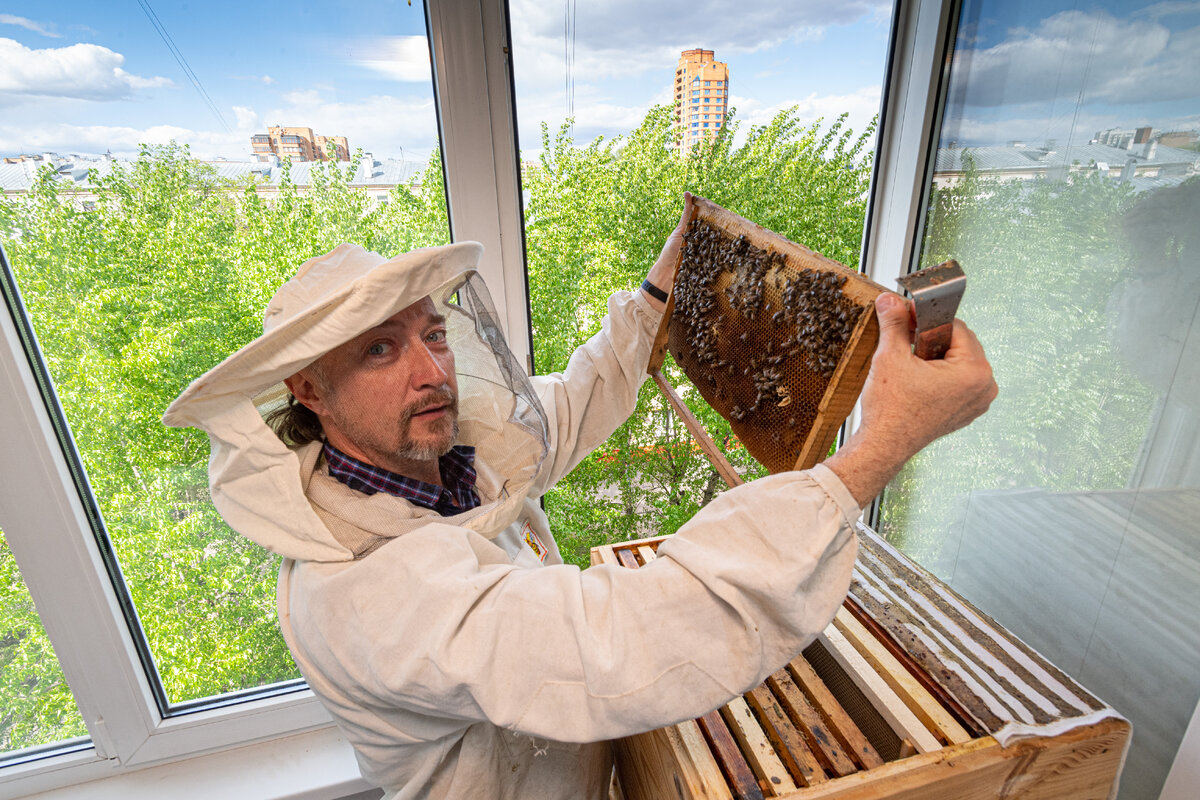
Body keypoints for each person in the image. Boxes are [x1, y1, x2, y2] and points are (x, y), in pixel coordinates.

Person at [164, 194, 996, 800]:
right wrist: (879, 447)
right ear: (309, 389)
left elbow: (562, 411)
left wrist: (661, 293)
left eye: (433, 334)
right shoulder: (364, 596)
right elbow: (617, 641)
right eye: (381, 350)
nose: (431, 372)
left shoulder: (447, 460)